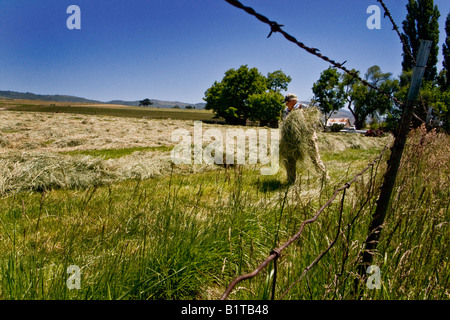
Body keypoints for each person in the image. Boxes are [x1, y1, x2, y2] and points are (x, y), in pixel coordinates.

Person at [281, 93, 328, 182]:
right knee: (290, 159)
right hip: (292, 139)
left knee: (315, 158)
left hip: (307, 137)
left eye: (287, 102)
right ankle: (291, 180)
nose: (286, 104)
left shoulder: (304, 108)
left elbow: (312, 122)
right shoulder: (286, 111)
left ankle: (324, 177)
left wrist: (302, 128)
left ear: (293, 101)